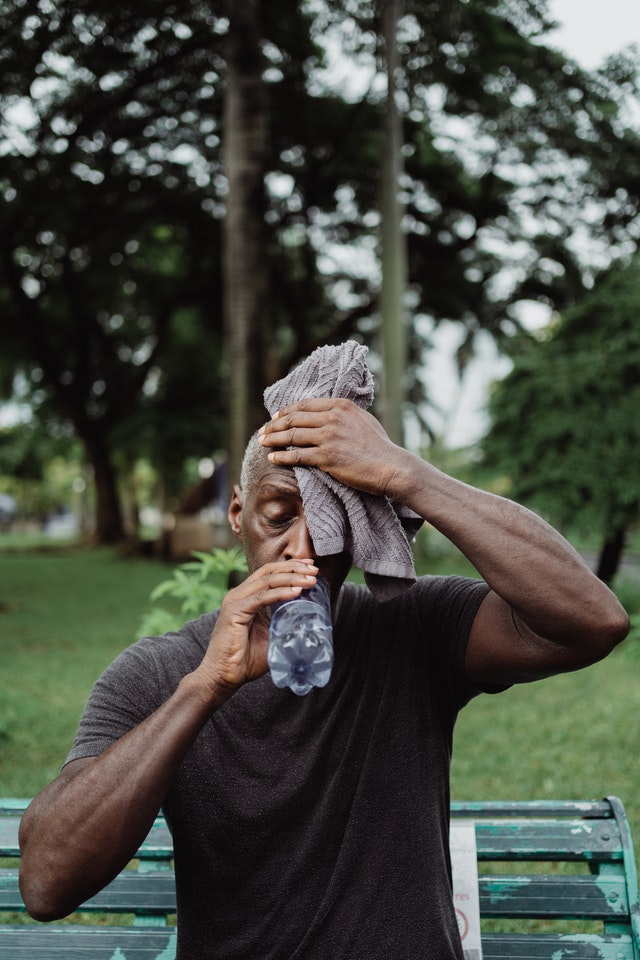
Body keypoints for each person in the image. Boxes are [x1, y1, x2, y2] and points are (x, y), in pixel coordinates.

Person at [19, 397, 629, 960]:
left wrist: (406, 475)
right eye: (278, 516)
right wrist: (207, 687)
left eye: (333, 526)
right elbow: (47, 884)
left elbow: (593, 621)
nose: (301, 551)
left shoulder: (412, 627)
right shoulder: (159, 675)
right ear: (238, 514)